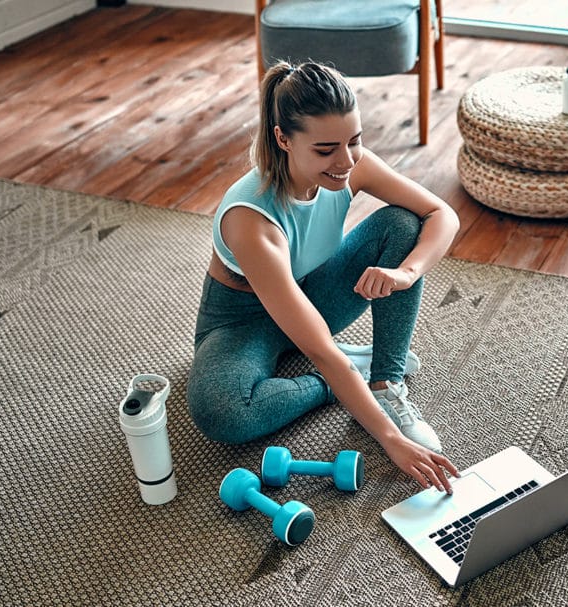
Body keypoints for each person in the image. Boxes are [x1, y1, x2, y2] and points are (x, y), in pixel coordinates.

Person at [187, 61, 460, 493]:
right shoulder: (250, 219)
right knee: (223, 411)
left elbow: (441, 214)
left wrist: (407, 273)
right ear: (283, 139)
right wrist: (390, 441)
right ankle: (345, 377)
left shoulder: (351, 165)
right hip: (241, 320)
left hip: (311, 291)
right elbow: (318, 347)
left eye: (355, 141)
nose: (346, 160)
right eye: (326, 149)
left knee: (402, 225)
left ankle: (385, 379)